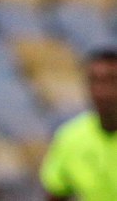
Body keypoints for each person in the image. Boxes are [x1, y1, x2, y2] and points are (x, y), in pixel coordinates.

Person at [39, 43, 117, 201]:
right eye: (95, 81)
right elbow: (56, 193)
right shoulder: (70, 137)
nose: (102, 91)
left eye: (111, 81)